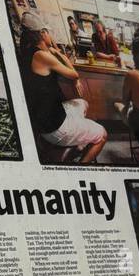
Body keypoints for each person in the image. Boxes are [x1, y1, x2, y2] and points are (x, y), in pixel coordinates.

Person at [17, 12, 107, 163]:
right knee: (103, 134)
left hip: (45, 121)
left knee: (82, 103)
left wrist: (53, 50)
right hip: (54, 127)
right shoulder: (43, 56)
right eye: (48, 32)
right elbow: (74, 74)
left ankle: (79, 138)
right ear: (42, 33)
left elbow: (66, 69)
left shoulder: (30, 52)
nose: (50, 35)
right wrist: (56, 51)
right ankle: (81, 167)